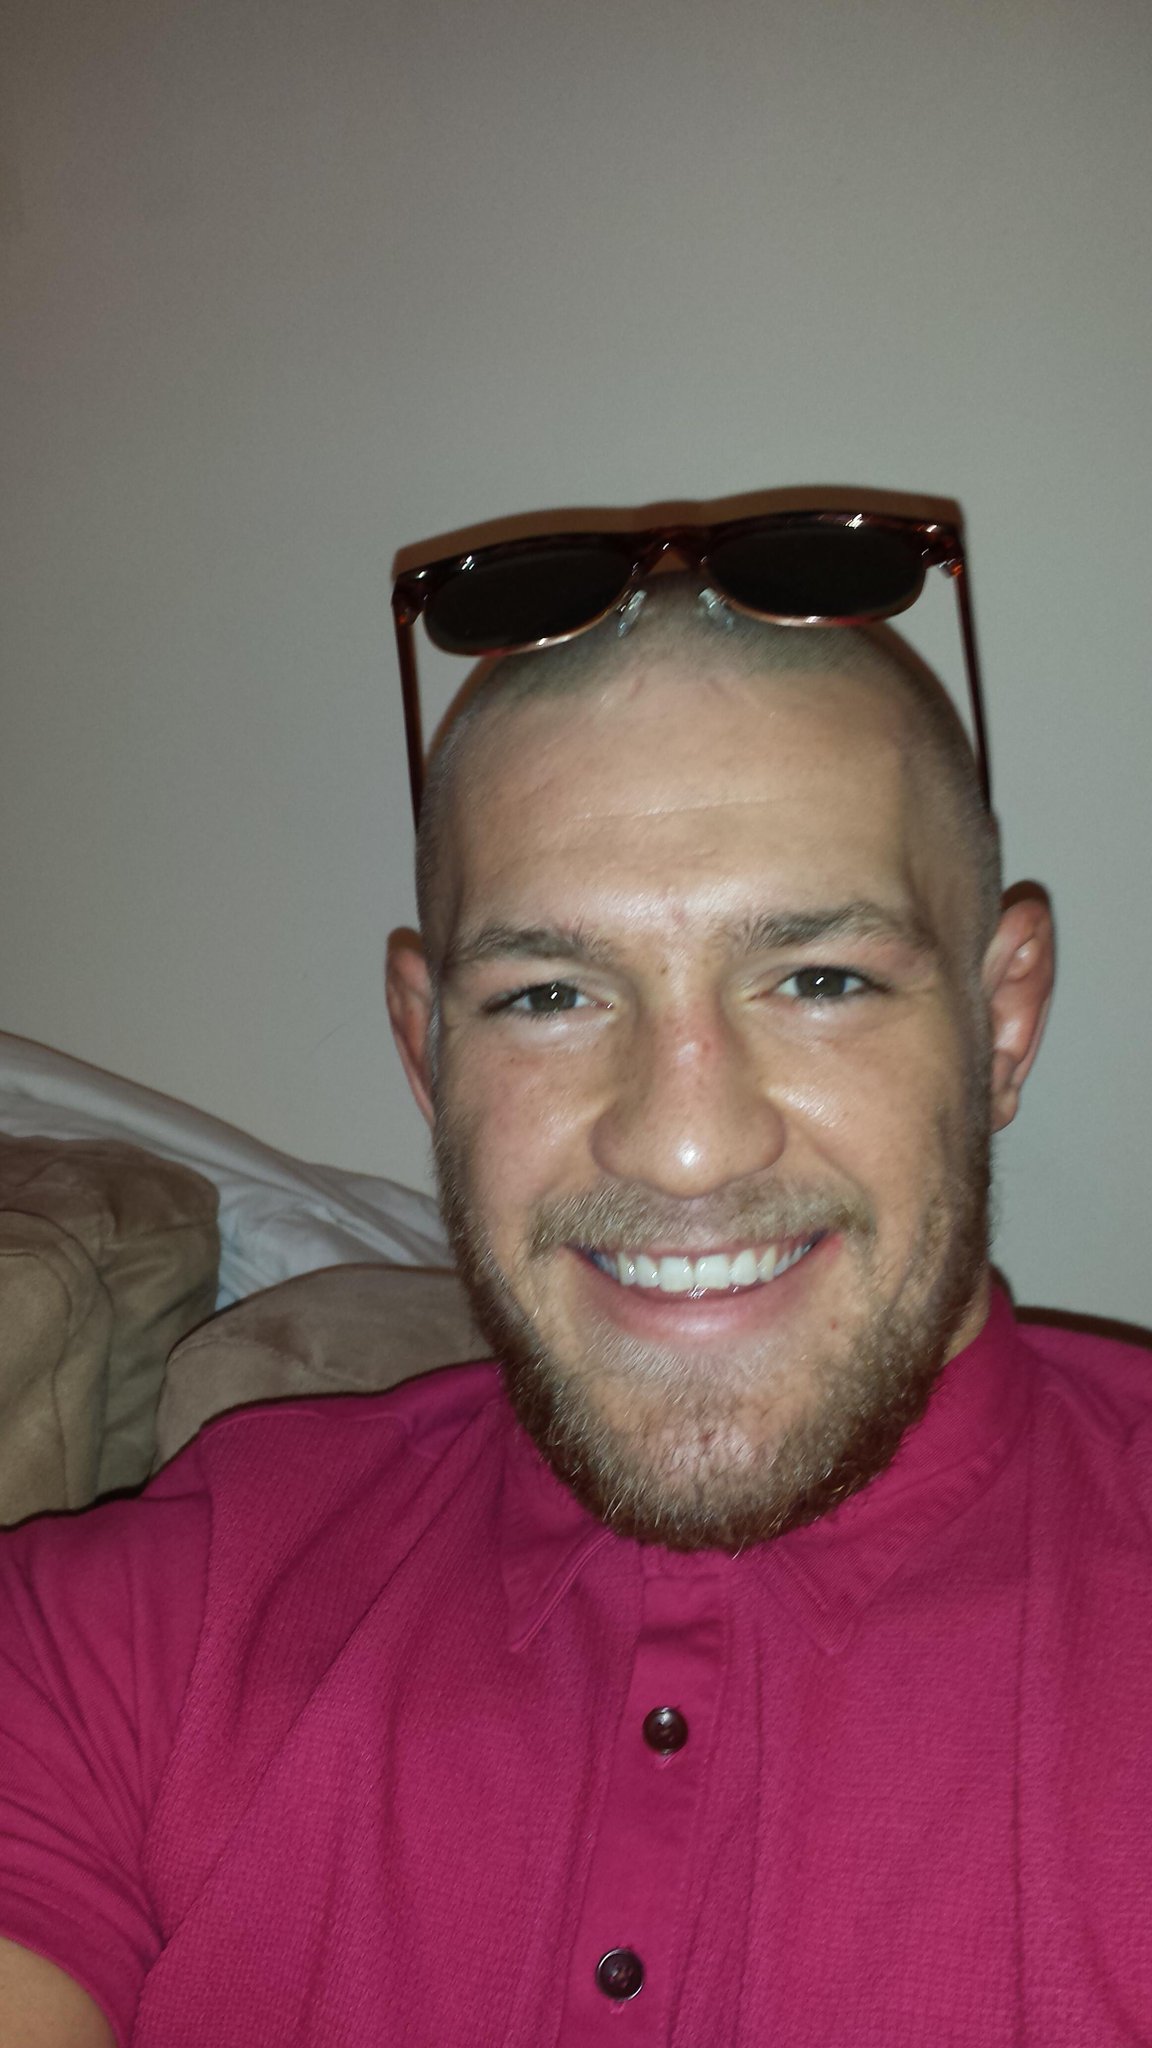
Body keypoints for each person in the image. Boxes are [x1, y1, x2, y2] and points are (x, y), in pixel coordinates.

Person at [1, 557, 1150, 2047]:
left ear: (1001, 1019)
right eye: (549, 996)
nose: (683, 1142)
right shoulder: (135, 1633)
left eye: (818, 979)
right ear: (428, 1049)